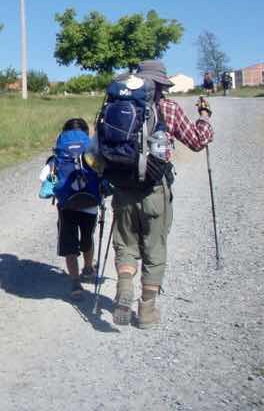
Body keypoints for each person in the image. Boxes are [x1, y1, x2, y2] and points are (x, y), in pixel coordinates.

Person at [109, 60, 213, 329]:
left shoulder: (114, 103)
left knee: (125, 245)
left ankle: (123, 287)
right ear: (161, 84)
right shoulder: (169, 107)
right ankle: (146, 312)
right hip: (155, 189)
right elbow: (197, 141)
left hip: (122, 188)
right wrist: (204, 117)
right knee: (155, 247)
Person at [39, 118, 103, 298]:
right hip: (90, 204)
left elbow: (42, 177)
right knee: (87, 238)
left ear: (63, 134)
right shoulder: (91, 150)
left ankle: (75, 283)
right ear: (85, 133)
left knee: (69, 244)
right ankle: (89, 269)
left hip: (66, 205)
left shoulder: (59, 154)